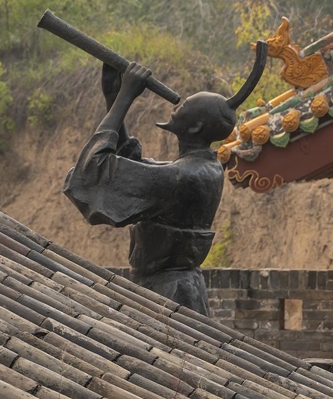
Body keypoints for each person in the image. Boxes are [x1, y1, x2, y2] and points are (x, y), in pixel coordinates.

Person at [64, 50, 264, 314]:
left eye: (183, 106)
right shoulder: (203, 167)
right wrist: (113, 98)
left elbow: (97, 170)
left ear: (194, 128)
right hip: (179, 289)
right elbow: (137, 166)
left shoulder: (182, 177)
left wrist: (125, 98)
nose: (175, 106)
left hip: (167, 296)